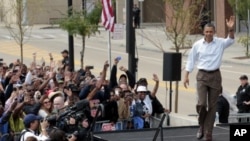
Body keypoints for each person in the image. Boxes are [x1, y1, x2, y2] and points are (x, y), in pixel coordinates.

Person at [183, 16, 235, 141]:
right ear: (203, 32)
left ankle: (208, 132)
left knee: (213, 107)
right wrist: (186, 75)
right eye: (207, 31)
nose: (209, 34)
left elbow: (231, 40)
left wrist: (231, 29)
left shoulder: (220, 43)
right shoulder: (197, 45)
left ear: (214, 32)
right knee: (201, 104)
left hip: (215, 76)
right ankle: (201, 125)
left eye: (211, 31)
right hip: (202, 75)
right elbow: (191, 60)